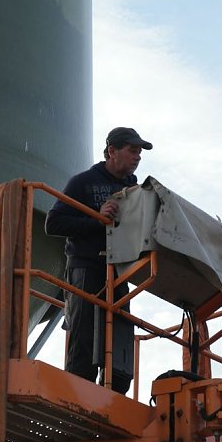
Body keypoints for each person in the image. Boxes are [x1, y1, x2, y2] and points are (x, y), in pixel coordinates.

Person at [45, 127, 153, 394]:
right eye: (132, 150)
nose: (137, 157)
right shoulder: (83, 182)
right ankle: (77, 396)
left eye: (139, 152)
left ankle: (114, 396)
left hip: (118, 272)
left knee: (120, 339)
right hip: (86, 267)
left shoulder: (134, 190)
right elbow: (53, 223)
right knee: (84, 337)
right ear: (112, 151)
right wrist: (97, 215)